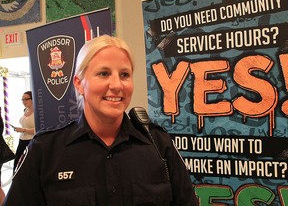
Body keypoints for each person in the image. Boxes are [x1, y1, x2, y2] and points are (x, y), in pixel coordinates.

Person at [3, 35, 199, 205]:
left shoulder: (159, 145)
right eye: (104, 73)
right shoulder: (45, 151)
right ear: (79, 84)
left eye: (124, 74)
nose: (116, 85)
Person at [13, 91, 35, 172]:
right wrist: (21, 129)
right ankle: (16, 182)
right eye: (22, 99)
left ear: (32, 99)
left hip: (31, 141)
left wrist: (23, 130)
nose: (24, 101)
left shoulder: (37, 113)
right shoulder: (25, 110)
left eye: (26, 99)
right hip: (22, 140)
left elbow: (37, 130)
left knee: (28, 165)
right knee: (17, 163)